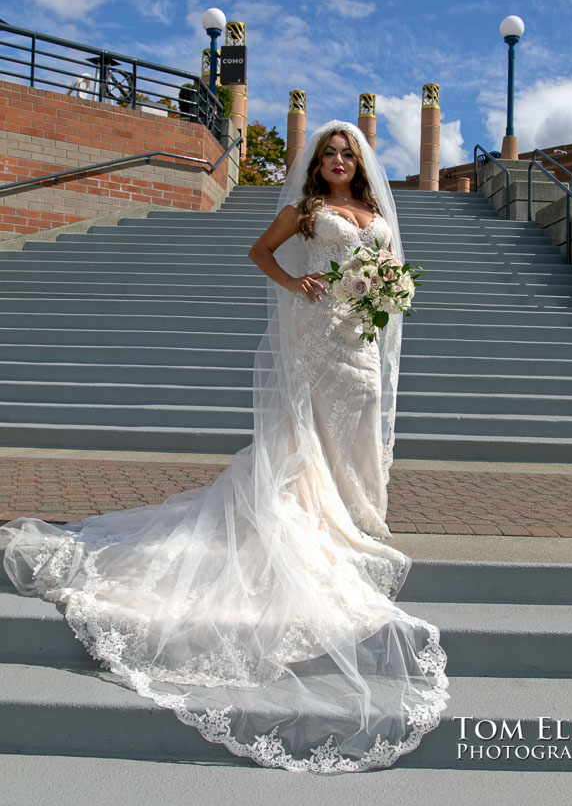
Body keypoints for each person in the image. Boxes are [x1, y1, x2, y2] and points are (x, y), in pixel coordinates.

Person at [0, 119, 450, 774]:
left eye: (345, 152)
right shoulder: (307, 211)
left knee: (358, 419)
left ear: (360, 162)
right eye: (327, 152)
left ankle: (354, 509)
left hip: (359, 337)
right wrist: (298, 285)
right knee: (308, 428)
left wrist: (384, 288)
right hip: (315, 331)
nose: (337, 159)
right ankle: (311, 509)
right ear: (316, 163)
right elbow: (258, 254)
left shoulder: (375, 211)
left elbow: (384, 265)